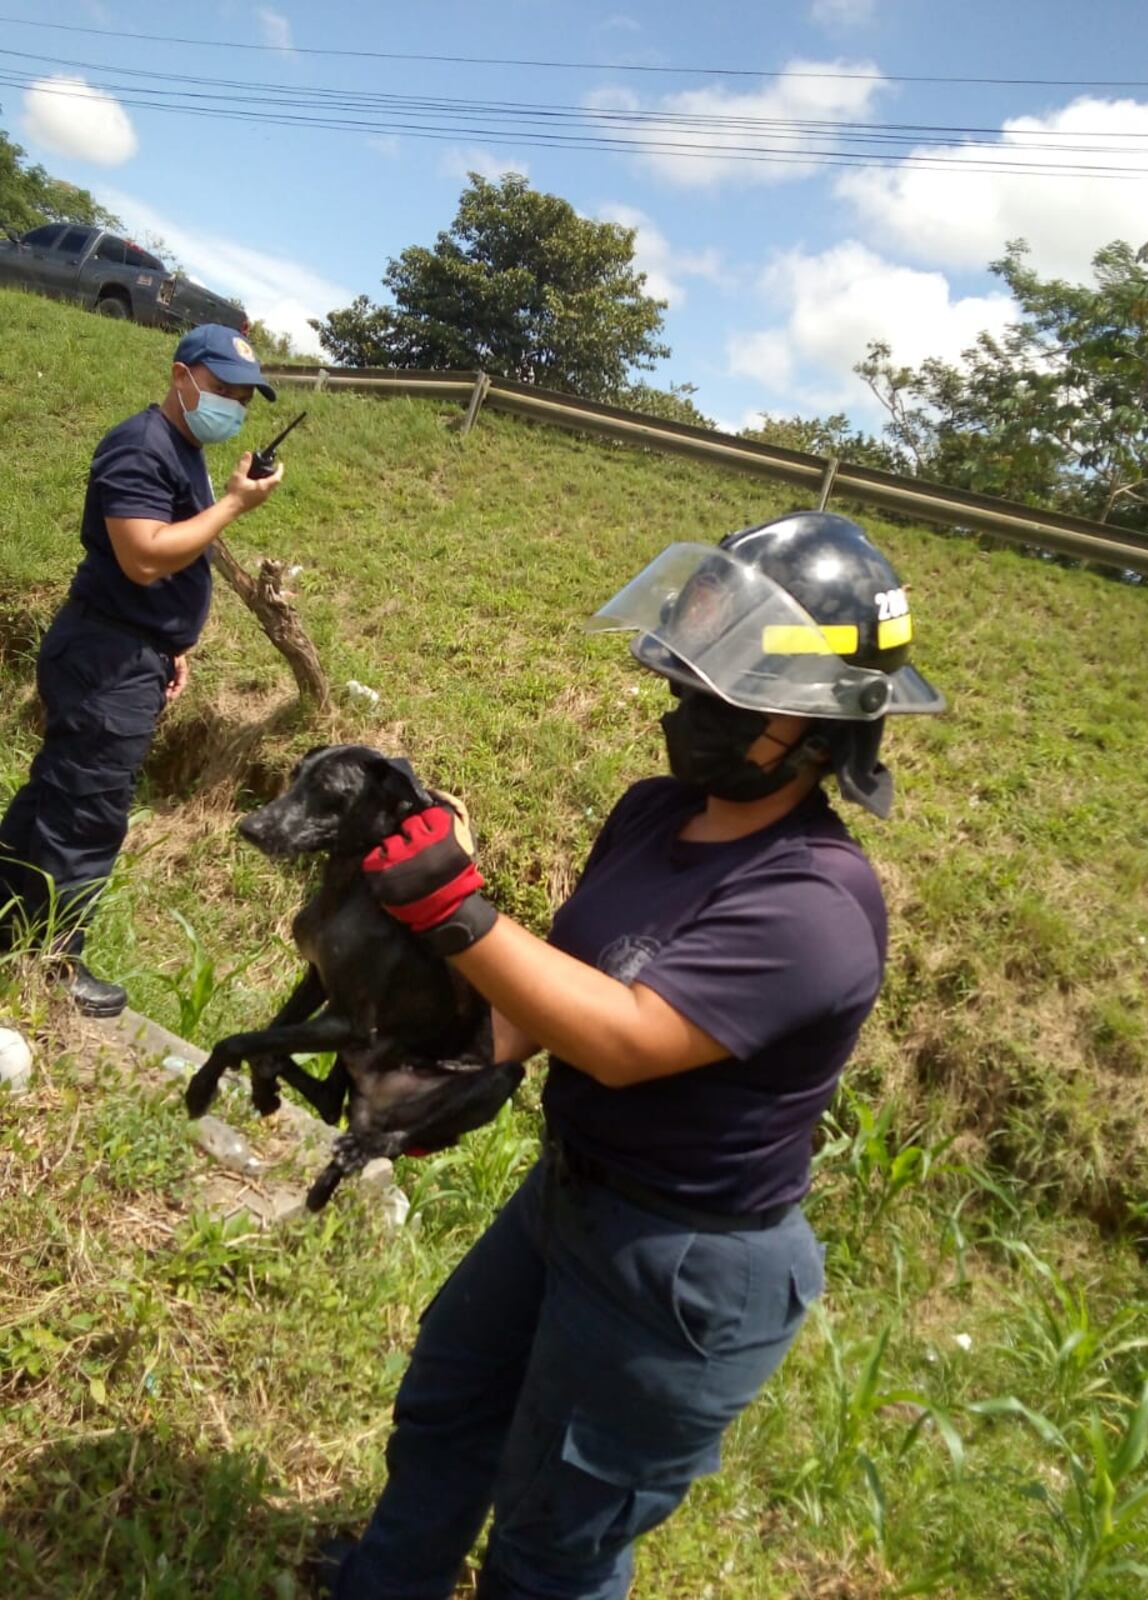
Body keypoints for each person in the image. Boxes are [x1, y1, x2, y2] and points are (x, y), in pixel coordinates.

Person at [324, 511, 946, 1600]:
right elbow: (557, 988)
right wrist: (439, 1054)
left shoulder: (815, 902)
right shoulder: (658, 813)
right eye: (697, 677)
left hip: (686, 1264)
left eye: (735, 694)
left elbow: (621, 1039)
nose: (693, 708)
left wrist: (455, 908)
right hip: (569, 1192)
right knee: (448, 1403)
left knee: (557, 1538)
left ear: (818, 729)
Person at [0, 325, 283, 1017]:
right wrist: (234, 507)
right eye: (222, 388)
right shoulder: (140, 444)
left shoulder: (184, 451)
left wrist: (169, 645)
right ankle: (53, 969)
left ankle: (9, 932)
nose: (234, 406)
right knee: (88, 812)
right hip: (105, 657)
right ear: (182, 375)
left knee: (55, 797)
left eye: (244, 397)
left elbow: (152, 571)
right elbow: (145, 556)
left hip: (128, 651)